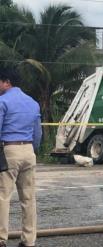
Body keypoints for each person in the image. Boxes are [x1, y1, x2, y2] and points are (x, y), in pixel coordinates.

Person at [0, 68, 42, 247]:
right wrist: (33, 150)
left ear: (6, 82)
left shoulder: (2, 101)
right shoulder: (33, 102)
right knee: (28, 198)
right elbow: (38, 133)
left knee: (3, 196)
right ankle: (29, 240)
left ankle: (1, 238)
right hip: (28, 151)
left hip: (9, 150)